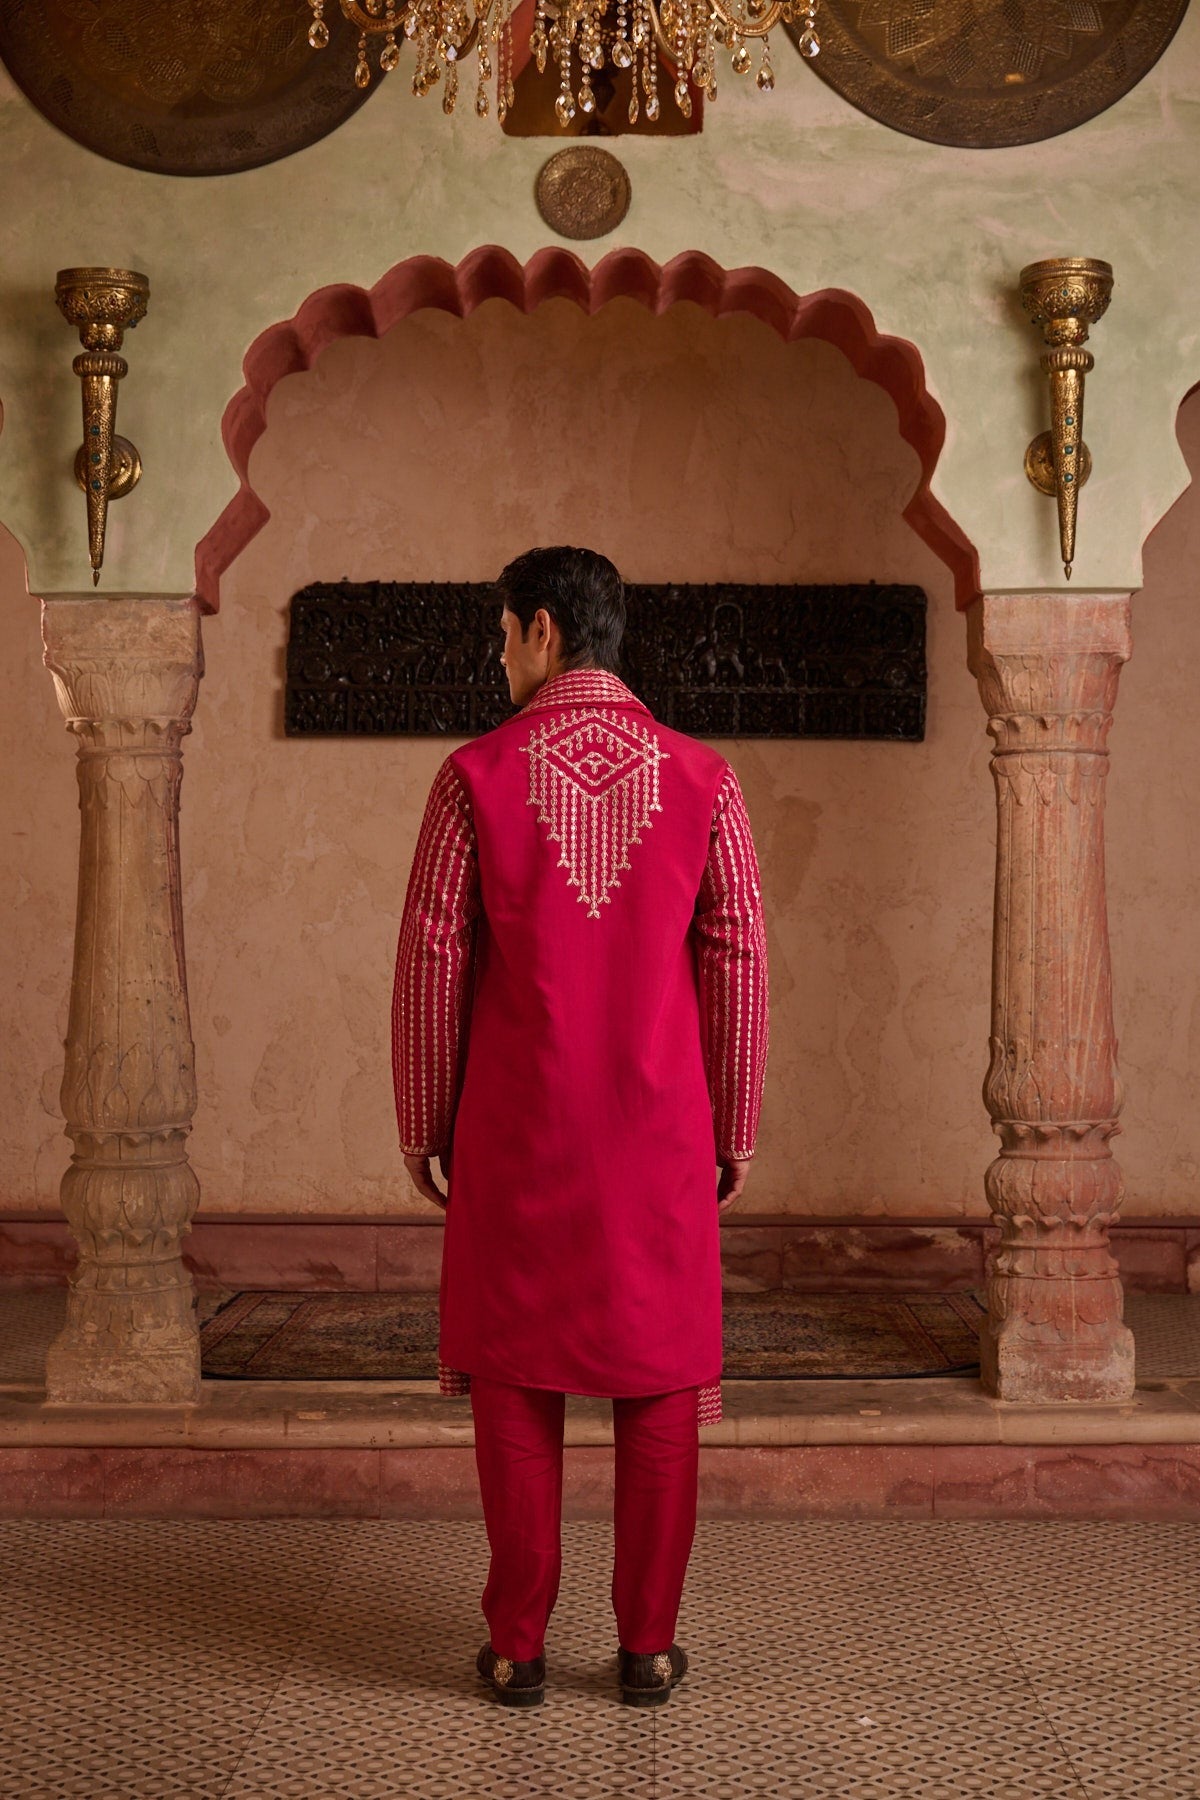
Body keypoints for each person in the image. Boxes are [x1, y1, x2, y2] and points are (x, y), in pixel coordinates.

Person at [391, 545, 769, 1709]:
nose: (498, 657)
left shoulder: (474, 776)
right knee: (659, 1384)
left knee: (516, 1377)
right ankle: (647, 1648)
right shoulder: (704, 780)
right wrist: (735, 1120)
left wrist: (424, 1116)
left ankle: (518, 1648)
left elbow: (432, 958)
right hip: (661, 1130)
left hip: (515, 1128)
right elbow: (740, 956)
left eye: (503, 636)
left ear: (544, 630)